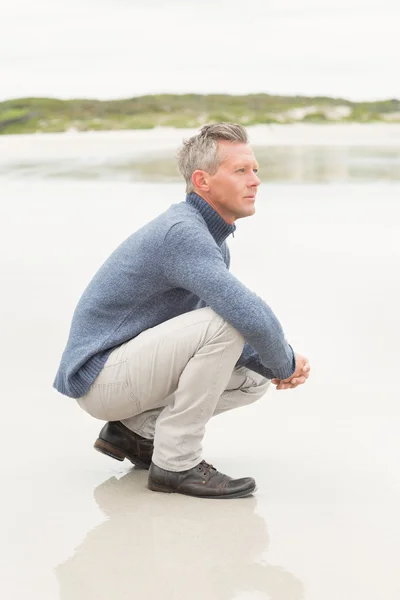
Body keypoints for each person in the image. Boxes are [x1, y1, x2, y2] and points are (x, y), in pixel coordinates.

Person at [53, 122, 310, 499]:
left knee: (253, 379)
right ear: (202, 181)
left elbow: (217, 335)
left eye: (255, 170)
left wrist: (275, 367)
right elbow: (246, 315)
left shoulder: (209, 239)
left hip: (126, 373)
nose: (255, 181)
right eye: (241, 171)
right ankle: (177, 464)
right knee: (232, 324)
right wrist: (286, 362)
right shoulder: (183, 233)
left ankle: (136, 434)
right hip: (100, 379)